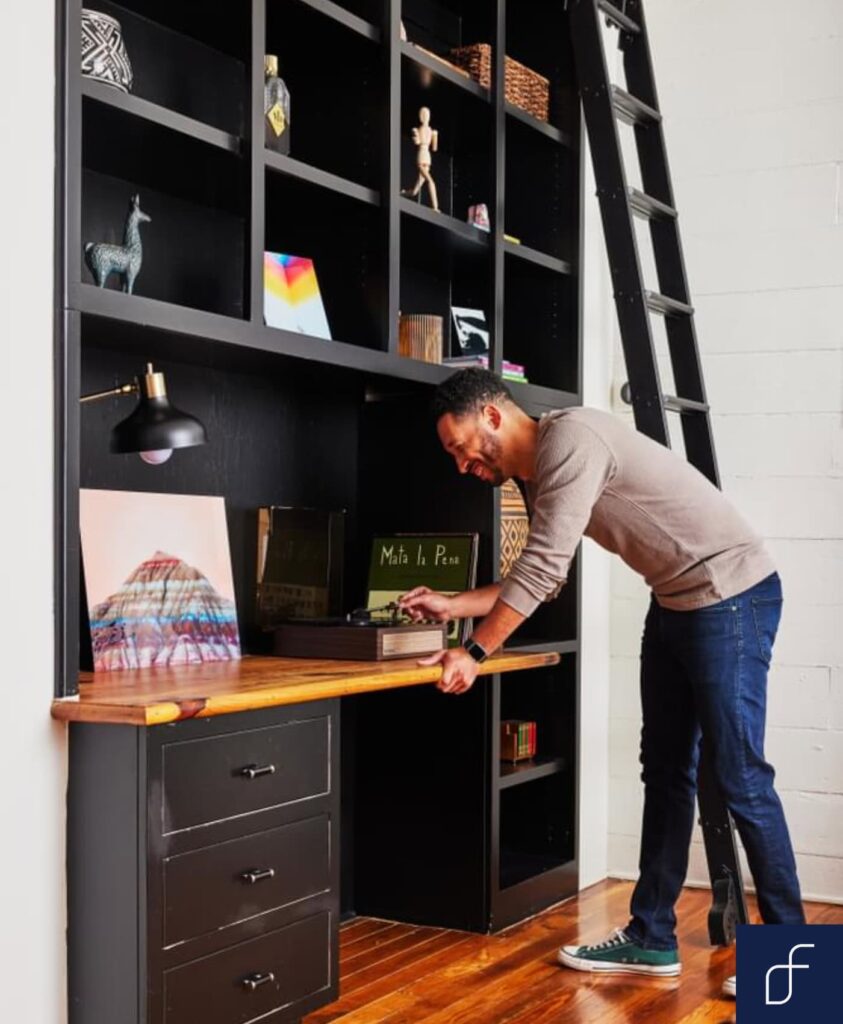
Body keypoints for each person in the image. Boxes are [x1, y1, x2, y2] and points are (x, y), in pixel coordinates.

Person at [399, 369, 804, 996]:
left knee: (740, 775)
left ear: (494, 416)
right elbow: (544, 578)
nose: (461, 465)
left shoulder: (572, 441)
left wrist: (474, 653)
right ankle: (651, 936)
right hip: (676, 604)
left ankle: (795, 969)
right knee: (666, 770)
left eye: (462, 447)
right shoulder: (541, 474)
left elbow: (539, 571)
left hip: (731, 597)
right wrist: (453, 606)